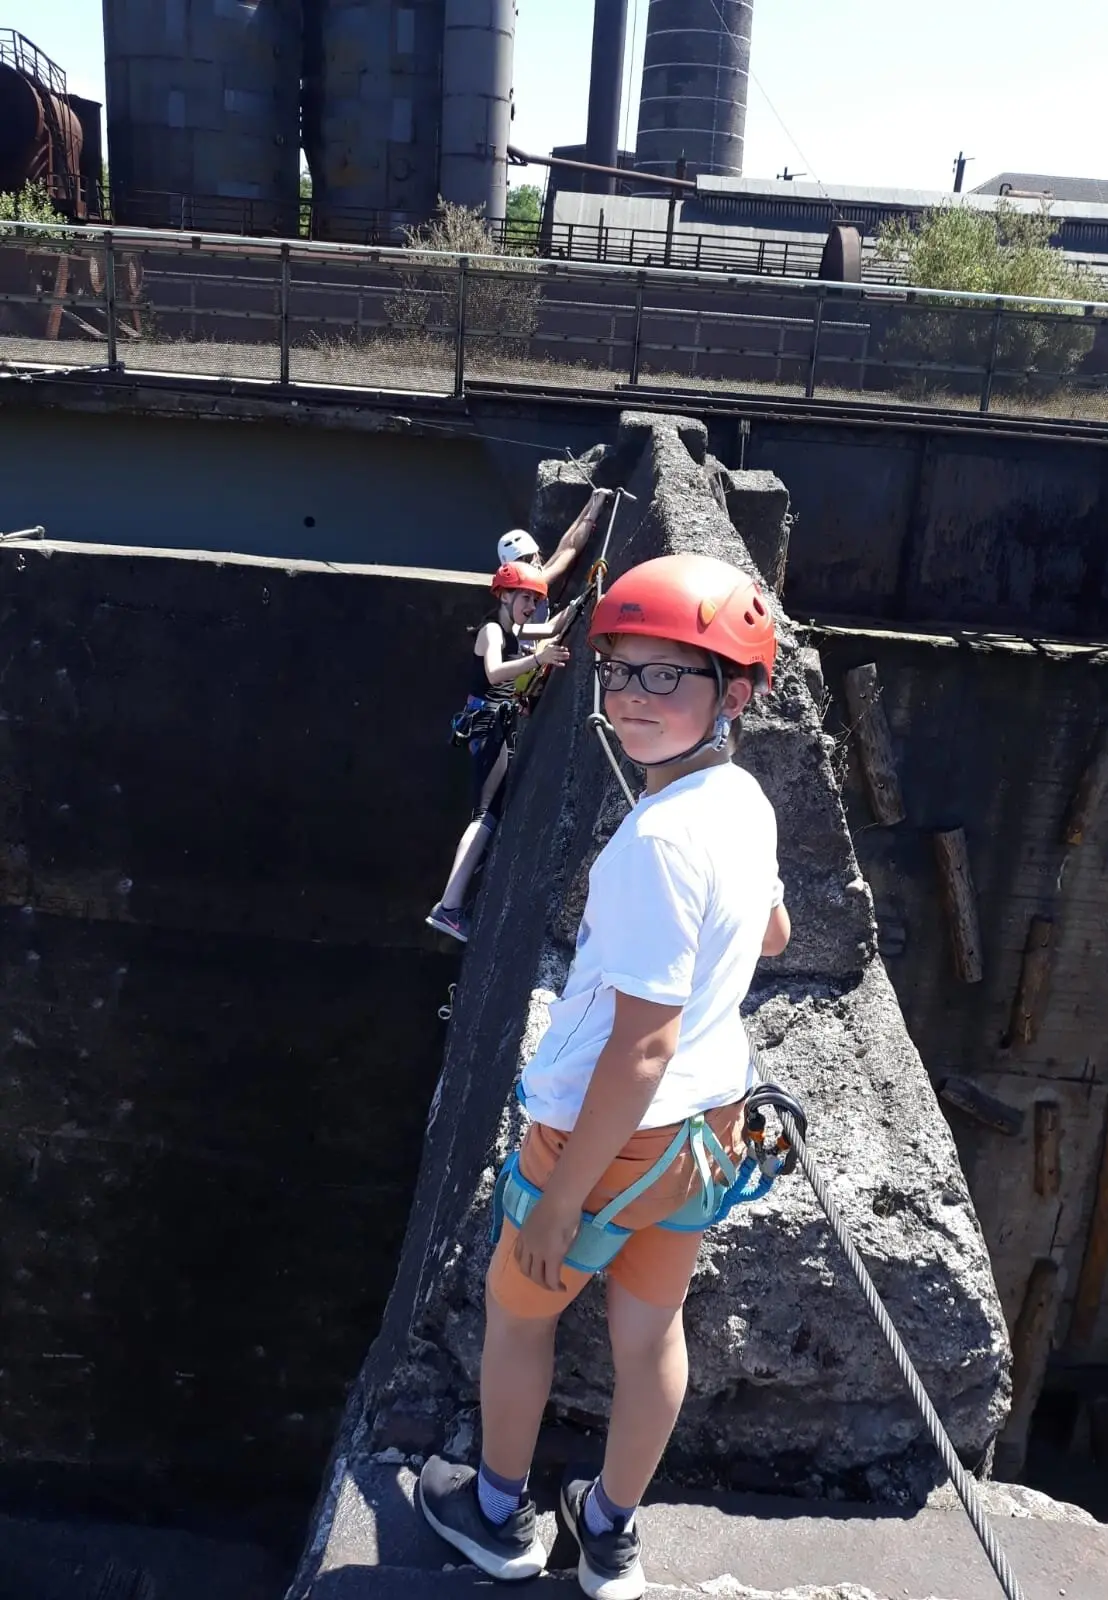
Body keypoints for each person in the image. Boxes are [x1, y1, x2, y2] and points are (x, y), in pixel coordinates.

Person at [419, 553, 791, 1600]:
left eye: (666, 675)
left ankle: (497, 1517)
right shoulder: (743, 799)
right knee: (649, 1329)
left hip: (611, 1136)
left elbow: (639, 1047)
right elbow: (772, 932)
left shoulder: (655, 844)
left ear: (735, 693)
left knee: (520, 1311)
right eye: (619, 670)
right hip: (704, 1133)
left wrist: (561, 1202)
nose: (630, 696)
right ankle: (611, 1532)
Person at [426, 562, 570, 943]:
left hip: (496, 723)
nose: (531, 607)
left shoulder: (515, 630)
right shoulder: (492, 630)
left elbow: (552, 628)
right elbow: (493, 672)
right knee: (485, 815)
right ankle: (449, 907)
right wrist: (538, 660)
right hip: (487, 725)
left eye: (535, 600)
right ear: (504, 596)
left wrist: (583, 601)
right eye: (525, 598)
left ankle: (453, 900)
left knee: (488, 812)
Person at [498, 488, 613, 633]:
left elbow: (563, 547)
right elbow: (570, 548)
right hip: (530, 643)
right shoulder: (533, 582)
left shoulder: (515, 587)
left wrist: (592, 503)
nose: (535, 561)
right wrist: (595, 508)